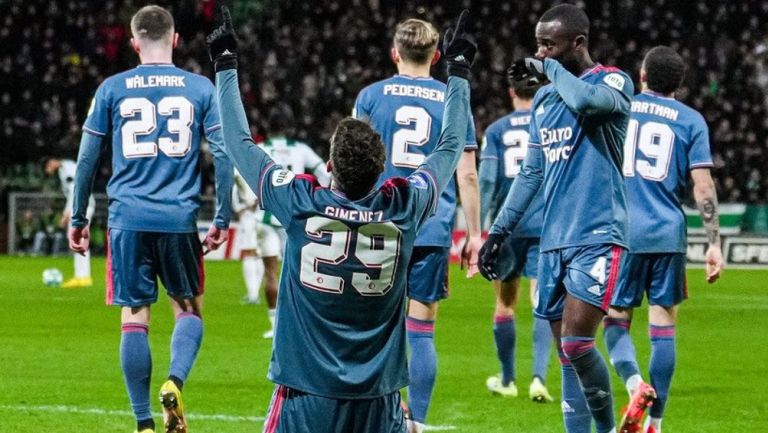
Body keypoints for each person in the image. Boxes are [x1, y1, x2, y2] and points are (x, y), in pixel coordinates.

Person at [207, 7, 475, 432]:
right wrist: (458, 73)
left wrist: (225, 65)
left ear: (328, 164)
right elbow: (450, 146)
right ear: (382, 165)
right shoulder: (405, 206)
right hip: (378, 399)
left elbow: (239, 141)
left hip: (305, 393)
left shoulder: (300, 202)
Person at [68, 5, 233, 433]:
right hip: (179, 217)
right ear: (175, 40)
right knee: (188, 308)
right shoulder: (201, 88)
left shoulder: (111, 88)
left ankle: (143, 423)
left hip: (127, 219)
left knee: (134, 317)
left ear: (135, 42)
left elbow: (87, 158)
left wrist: (79, 216)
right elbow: (223, 153)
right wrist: (223, 214)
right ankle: (174, 382)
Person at [479, 4, 634, 433]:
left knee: (577, 342)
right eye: (538, 44)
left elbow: (586, 101)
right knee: (566, 354)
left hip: (598, 234)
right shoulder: (545, 100)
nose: (540, 52)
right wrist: (497, 232)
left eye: (549, 44)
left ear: (578, 43)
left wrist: (548, 70)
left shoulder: (613, 80)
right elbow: (532, 172)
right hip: (553, 241)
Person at [352, 17, 481, 431]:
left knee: (372, 327)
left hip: (378, 225)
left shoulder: (370, 96)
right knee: (421, 330)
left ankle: (371, 412)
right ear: (437, 56)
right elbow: (468, 174)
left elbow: (352, 162)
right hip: (431, 226)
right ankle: (419, 422)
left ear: (394, 53)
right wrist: (474, 234)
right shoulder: (452, 98)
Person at [603, 46, 724, 433]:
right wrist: (714, 242)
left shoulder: (620, 107)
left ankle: (636, 384)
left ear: (641, 75)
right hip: (668, 233)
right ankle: (656, 423)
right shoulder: (691, 120)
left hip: (622, 232)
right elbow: (703, 186)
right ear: (681, 82)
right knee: (663, 327)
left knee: (615, 322)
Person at [479, 76, 553, 402]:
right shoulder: (551, 127)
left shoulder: (496, 131)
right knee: (541, 303)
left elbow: (486, 181)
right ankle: (539, 378)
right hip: (545, 225)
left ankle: (508, 380)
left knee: (506, 303)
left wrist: (480, 229)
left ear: (511, 92)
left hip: (507, 226)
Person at [44, 157, 96, 287]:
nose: (49, 171)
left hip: (81, 206)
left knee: (77, 239)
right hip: (81, 205)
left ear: (51, 163)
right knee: (76, 239)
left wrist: (67, 212)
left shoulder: (68, 169)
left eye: (47, 168)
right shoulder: (64, 168)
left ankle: (83, 276)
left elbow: (75, 189)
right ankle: (81, 275)